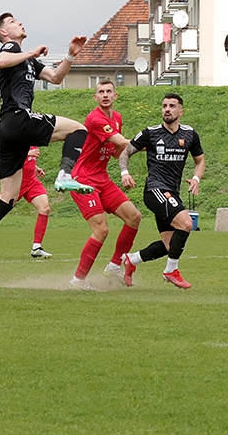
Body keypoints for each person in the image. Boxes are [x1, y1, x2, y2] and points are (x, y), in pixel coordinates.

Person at [0, 12, 94, 286]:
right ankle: (65, 175)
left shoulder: (27, 59)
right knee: (79, 129)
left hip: (8, 130)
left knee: (7, 197)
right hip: (17, 118)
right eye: (13, 22)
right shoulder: (11, 48)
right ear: (4, 33)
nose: (19, 23)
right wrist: (29, 51)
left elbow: (54, 77)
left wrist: (71, 55)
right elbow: (0, 60)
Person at [119, 93, 205, 289]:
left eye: (172, 106)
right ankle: (170, 271)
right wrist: (125, 172)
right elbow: (126, 151)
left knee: (170, 245)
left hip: (172, 193)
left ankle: (131, 260)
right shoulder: (150, 133)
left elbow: (200, 161)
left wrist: (196, 178)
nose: (167, 109)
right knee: (186, 223)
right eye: (164, 106)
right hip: (155, 189)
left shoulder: (190, 134)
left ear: (180, 111)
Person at [69, 80, 143, 289]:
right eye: (101, 92)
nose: (105, 95)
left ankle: (114, 266)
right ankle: (78, 280)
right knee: (101, 230)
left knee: (134, 217)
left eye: (109, 91)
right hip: (83, 180)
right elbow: (121, 143)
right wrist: (150, 143)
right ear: (95, 97)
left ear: (115, 96)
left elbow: (118, 151)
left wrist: (124, 171)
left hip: (101, 178)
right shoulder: (95, 119)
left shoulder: (116, 118)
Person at [16, 147, 52, 259]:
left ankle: (36, 248)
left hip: (31, 181)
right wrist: (27, 154)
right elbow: (7, 155)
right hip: (15, 181)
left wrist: (34, 167)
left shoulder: (33, 134)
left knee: (44, 209)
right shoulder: (16, 132)